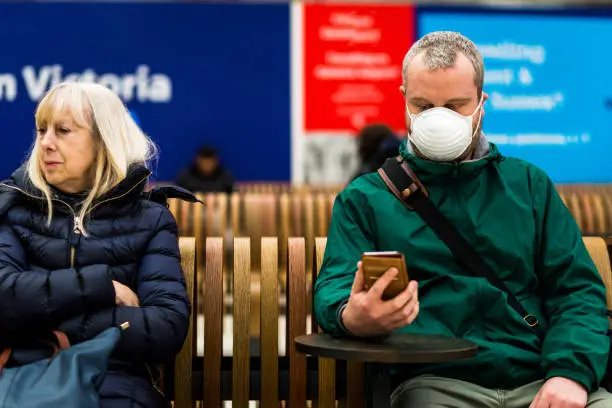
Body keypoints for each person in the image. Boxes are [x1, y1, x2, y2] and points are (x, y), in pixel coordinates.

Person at [314, 31, 612, 408]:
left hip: (542, 379)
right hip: (434, 383)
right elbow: (336, 288)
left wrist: (569, 374)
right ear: (404, 101)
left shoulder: (529, 187)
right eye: (423, 106)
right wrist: (353, 315)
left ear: (481, 104)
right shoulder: (366, 199)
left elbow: (576, 292)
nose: (439, 120)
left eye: (455, 106)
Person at [0, 82, 192, 408]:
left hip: (112, 376)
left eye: (62, 130)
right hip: (19, 375)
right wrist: (103, 288)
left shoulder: (150, 219)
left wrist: (43, 318)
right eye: (41, 130)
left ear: (104, 140)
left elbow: (165, 327)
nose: (45, 143)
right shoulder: (14, 209)